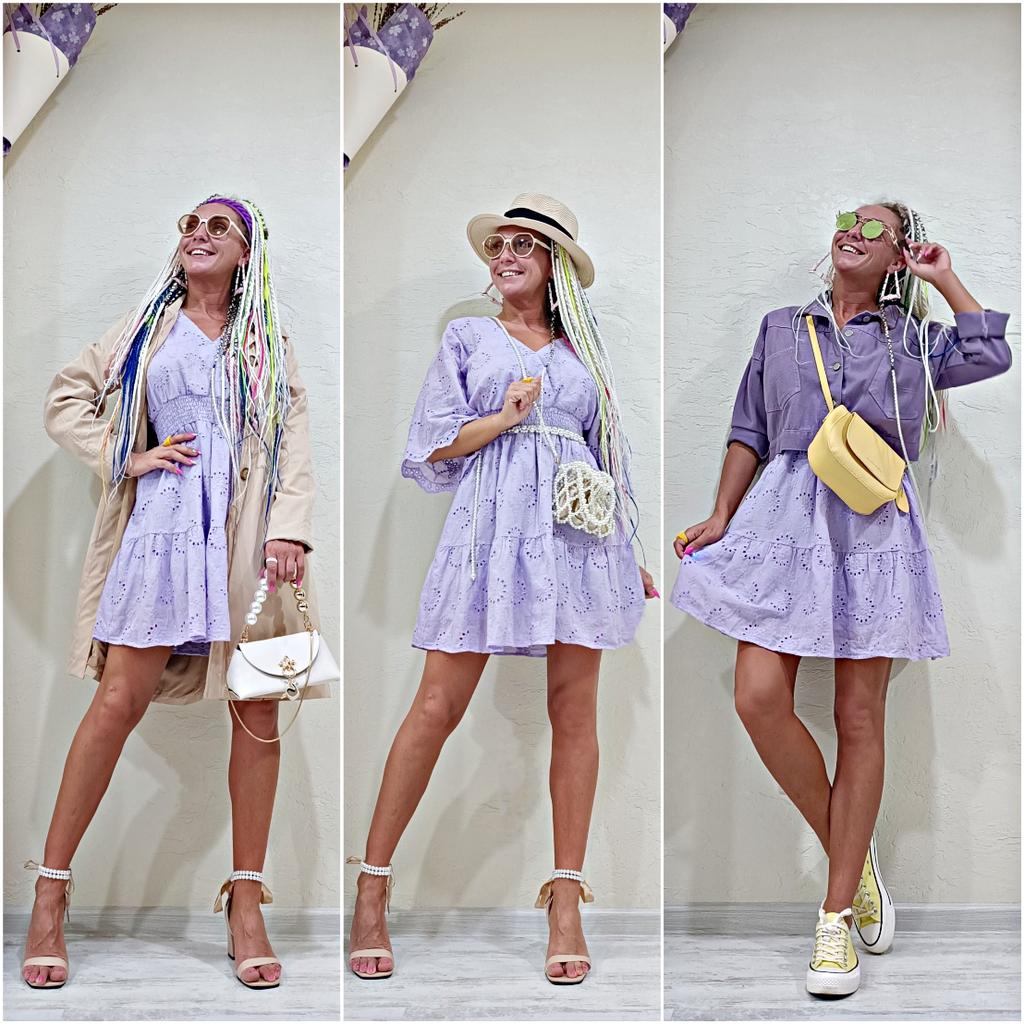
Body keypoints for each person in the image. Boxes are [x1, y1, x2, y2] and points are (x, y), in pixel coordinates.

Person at [671, 202, 1011, 997]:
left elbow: (990, 353)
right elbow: (749, 428)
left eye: (875, 227)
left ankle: (832, 921)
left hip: (873, 527)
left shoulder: (911, 339)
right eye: (846, 219)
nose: (853, 231)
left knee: (860, 717)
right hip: (782, 521)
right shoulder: (781, 328)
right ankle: (851, 860)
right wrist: (721, 514)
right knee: (758, 697)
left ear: (898, 255)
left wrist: (943, 277)